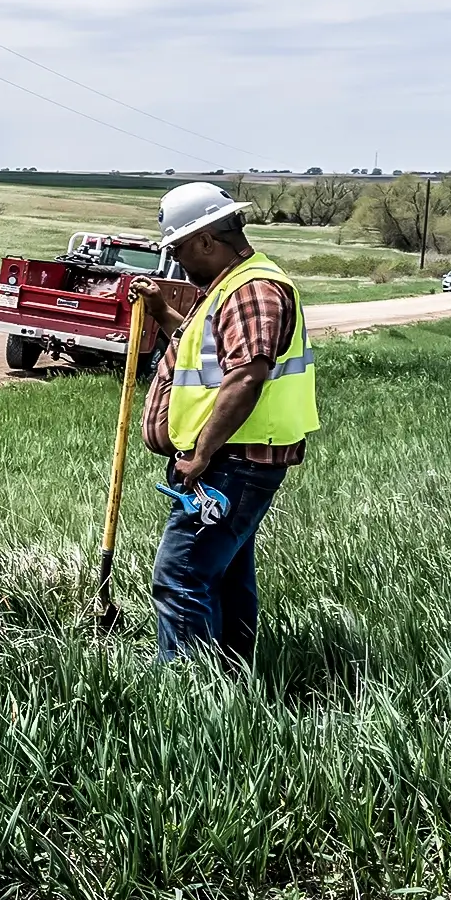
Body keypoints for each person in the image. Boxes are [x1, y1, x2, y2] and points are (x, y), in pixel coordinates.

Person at [128, 182, 319, 665]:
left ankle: (191, 697)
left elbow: (246, 376)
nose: (177, 263)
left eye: (179, 250)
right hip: (231, 459)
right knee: (226, 575)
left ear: (208, 241)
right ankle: (232, 680)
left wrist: (200, 453)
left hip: (233, 462)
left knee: (181, 577)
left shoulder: (252, 290)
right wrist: (161, 312)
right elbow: (212, 354)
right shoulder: (229, 288)